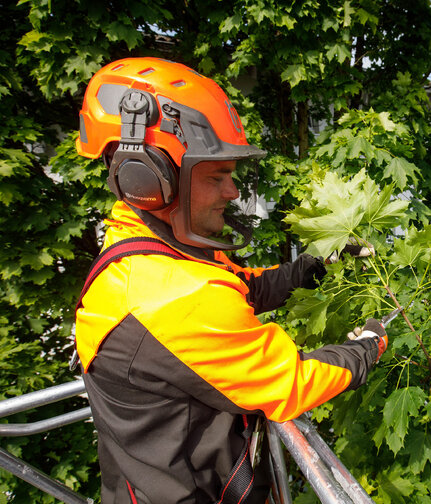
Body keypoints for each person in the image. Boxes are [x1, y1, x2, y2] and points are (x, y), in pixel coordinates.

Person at [74, 57, 387, 504]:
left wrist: (317, 264)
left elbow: (244, 287)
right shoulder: (173, 297)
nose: (233, 192)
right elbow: (292, 382)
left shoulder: (151, 253)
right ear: (148, 178)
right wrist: (367, 347)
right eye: (217, 176)